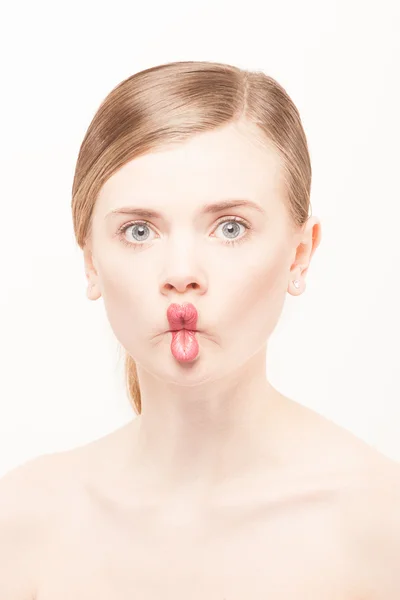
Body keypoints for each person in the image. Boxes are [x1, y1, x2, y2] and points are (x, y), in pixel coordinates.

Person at [1, 60, 399, 599]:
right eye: (139, 230)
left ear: (300, 253)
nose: (181, 273)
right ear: (91, 259)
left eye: (230, 227)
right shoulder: (23, 522)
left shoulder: (379, 525)